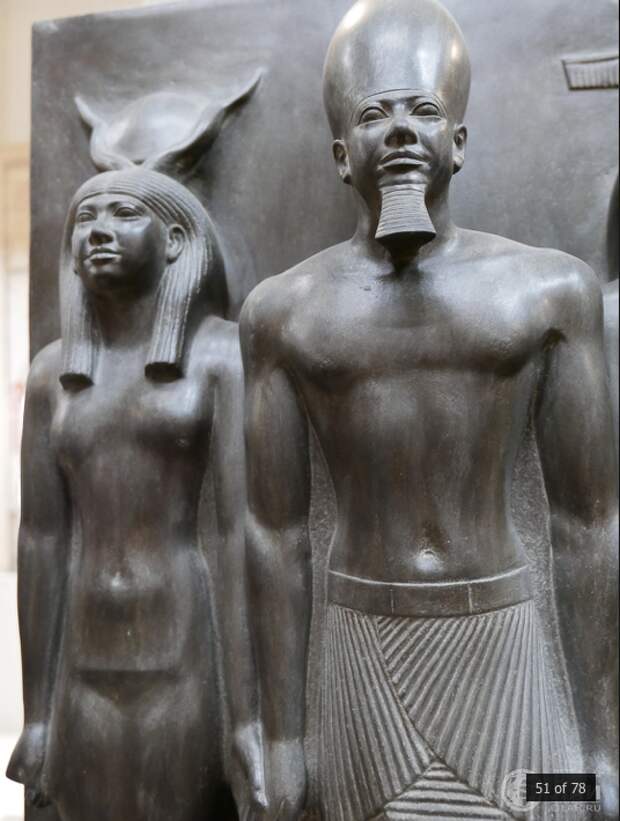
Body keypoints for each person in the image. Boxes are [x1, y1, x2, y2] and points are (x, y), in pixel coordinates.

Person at [240, 0, 618, 818]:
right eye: (374, 114)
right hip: (361, 655)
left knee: (549, 798)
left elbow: (588, 524)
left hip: (506, 644)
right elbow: (274, 534)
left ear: (460, 140)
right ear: (341, 155)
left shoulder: (550, 292)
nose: (402, 130)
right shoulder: (284, 312)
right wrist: (285, 736)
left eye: (424, 110)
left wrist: (600, 747)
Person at [7, 166, 259, 821]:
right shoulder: (51, 375)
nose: (97, 231)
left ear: (174, 241)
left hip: (184, 647)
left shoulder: (219, 357)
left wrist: (248, 719)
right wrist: (38, 715)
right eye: (84, 219)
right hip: (81, 654)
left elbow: (237, 533)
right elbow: (41, 539)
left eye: (122, 213)